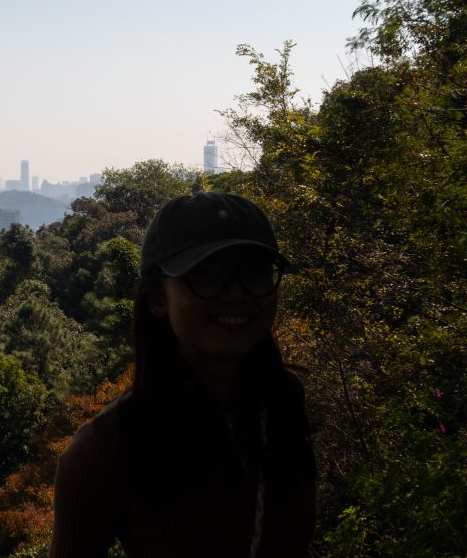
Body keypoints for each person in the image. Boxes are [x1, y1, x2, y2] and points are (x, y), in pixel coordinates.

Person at [50, 192, 316, 557]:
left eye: (255, 271)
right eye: (207, 275)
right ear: (158, 299)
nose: (236, 293)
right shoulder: (106, 450)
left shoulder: (284, 402)